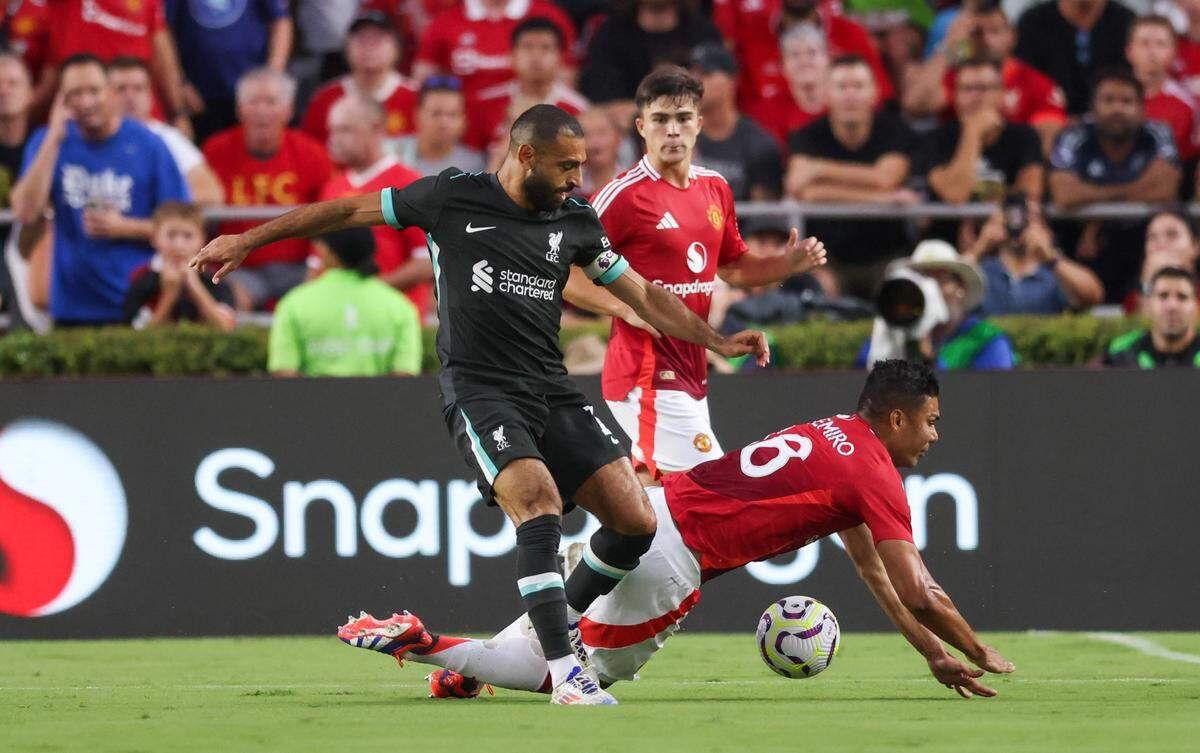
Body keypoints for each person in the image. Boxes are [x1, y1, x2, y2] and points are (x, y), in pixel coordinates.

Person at [189, 103, 771, 705]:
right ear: (526, 155)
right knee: (540, 506)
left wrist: (717, 340)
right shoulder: (450, 197)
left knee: (636, 522)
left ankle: (557, 624)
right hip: (482, 391)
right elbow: (344, 210)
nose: (577, 179)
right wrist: (248, 239)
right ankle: (566, 674)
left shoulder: (575, 219)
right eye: (566, 166)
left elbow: (643, 293)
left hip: (552, 389)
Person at [336, 360, 1015, 700]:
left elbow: (872, 569)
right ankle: (426, 644)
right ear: (896, 418)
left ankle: (462, 675)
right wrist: (977, 648)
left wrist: (930, 653)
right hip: (672, 563)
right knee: (562, 675)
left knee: (557, 628)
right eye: (930, 421)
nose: (934, 435)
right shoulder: (875, 473)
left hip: (646, 512)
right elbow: (920, 590)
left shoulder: (835, 433)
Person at [585, 67, 826, 479]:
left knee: (660, 494)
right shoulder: (621, 196)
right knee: (716, 485)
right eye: (660, 119)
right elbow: (564, 270)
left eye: (682, 118)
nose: (672, 130)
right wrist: (624, 307)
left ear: (699, 123)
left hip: (691, 369)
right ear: (641, 127)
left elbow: (733, 267)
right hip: (645, 373)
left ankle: (592, 530)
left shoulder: (715, 188)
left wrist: (785, 265)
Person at [10, 54, 189, 326]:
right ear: (61, 100)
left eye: (94, 91)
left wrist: (125, 227)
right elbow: (25, 211)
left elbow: (186, 225)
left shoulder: (149, 145)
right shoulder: (47, 140)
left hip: (137, 302)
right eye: (75, 93)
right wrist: (54, 138)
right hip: (71, 306)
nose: (85, 102)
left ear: (112, 93)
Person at [786, 55, 919, 300]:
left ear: (875, 93)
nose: (850, 95)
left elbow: (885, 178)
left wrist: (819, 169)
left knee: (901, 290)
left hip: (887, 256)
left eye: (858, 86)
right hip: (827, 259)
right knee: (814, 289)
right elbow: (800, 188)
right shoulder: (807, 136)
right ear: (826, 93)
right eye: (842, 87)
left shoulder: (896, 131)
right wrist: (882, 199)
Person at [203, 67, 333, 311]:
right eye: (254, 102)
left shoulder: (314, 153)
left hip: (298, 266)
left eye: (271, 102)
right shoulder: (215, 150)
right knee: (226, 302)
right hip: (239, 267)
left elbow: (329, 218)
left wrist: (316, 269)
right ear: (240, 109)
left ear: (288, 110)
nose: (262, 111)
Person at [1048, 68, 1182, 300]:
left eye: (1127, 101)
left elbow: (1165, 189)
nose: (1117, 109)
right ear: (1092, 108)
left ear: (1142, 109)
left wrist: (1096, 214)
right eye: (1108, 100)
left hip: (1140, 241)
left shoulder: (1158, 133)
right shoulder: (1073, 135)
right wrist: (1134, 189)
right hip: (1080, 244)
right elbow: (1064, 194)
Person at [319, 94, 433, 320]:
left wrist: (369, 293)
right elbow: (318, 263)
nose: (335, 139)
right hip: (341, 317)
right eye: (332, 131)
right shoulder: (332, 188)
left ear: (376, 128)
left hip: (395, 315)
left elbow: (426, 261)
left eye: (345, 130)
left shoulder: (408, 183)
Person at [903, 1, 1066, 154]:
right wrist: (950, 48)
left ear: (1012, 36)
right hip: (954, 161)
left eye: (994, 31)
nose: (985, 39)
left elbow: (1049, 143)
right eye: (976, 33)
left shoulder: (1036, 84)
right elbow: (914, 104)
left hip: (1014, 166)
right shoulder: (954, 77)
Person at [269, 226, 422, 377]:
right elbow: (404, 375)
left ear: (326, 251)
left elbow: (284, 372)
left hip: (313, 394)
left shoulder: (294, 303)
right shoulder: (401, 306)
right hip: (381, 394)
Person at [860, 240, 1015, 371]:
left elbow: (991, 391)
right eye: (921, 280)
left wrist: (927, 357)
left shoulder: (986, 340)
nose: (931, 290)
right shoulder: (895, 331)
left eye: (942, 280)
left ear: (961, 287)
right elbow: (861, 381)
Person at [713, 0, 893, 109]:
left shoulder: (851, 34)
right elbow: (740, 108)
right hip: (769, 148)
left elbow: (880, 98)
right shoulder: (750, 37)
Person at [166, 0, 292, 145]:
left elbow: (281, 21)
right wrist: (180, 83)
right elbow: (164, 31)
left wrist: (272, 78)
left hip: (253, 96)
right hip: (199, 97)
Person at [578, 0, 723, 125]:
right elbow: (605, 106)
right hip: (627, 137)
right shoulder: (610, 35)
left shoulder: (702, 33)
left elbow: (716, 95)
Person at [924, 57, 1044, 206]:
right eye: (966, 89)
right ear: (955, 96)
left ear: (1001, 93)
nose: (975, 97)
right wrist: (973, 132)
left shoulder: (1024, 136)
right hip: (951, 222)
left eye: (983, 88)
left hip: (1004, 220)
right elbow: (955, 194)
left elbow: (1030, 193)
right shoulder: (937, 138)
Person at [465, 17, 588, 159]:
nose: (536, 57)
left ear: (560, 58)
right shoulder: (484, 104)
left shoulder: (578, 111)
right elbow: (468, 161)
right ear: (512, 55)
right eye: (527, 47)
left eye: (545, 48)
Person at [108, 56, 224, 206]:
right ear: (105, 95)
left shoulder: (168, 138)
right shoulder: (88, 136)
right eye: (120, 89)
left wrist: (152, 203)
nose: (130, 97)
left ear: (151, 96)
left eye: (138, 88)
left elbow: (210, 193)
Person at [300, 10, 417, 150]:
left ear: (396, 48)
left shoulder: (416, 98)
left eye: (377, 40)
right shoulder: (324, 99)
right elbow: (308, 151)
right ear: (346, 48)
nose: (368, 48)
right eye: (361, 39)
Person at [964, 199, 1104, 316]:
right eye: (1011, 216)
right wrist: (979, 248)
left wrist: (1052, 258)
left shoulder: (1055, 274)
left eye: (1031, 217)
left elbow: (1093, 297)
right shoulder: (980, 270)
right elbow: (950, 288)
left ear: (1046, 230)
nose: (1020, 223)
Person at [413, 0, 576, 99]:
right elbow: (423, 79)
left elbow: (566, 78)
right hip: (464, 127)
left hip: (531, 117)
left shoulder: (549, 16)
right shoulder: (446, 21)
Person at [123, 201, 235, 331]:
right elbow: (138, 335)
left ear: (202, 239)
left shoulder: (215, 278)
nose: (178, 245)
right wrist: (169, 296)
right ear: (154, 238)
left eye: (188, 236)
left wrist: (195, 287)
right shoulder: (141, 276)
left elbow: (225, 328)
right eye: (171, 235)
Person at [692, 44, 783, 201]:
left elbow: (764, 213)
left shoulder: (759, 144)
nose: (695, 83)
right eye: (692, 75)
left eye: (706, 74)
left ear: (731, 81)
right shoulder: (675, 137)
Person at [1014, 0, 1134, 117]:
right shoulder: (1033, 22)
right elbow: (1023, 79)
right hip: (1049, 119)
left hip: (1114, 120)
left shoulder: (1126, 21)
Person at [745, 23, 831, 152]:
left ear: (827, 59)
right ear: (783, 64)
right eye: (794, 55)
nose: (804, 62)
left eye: (812, 53)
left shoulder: (844, 105)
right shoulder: (765, 113)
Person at [1126, 15, 1199, 162]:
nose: (1152, 51)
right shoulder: (1110, 96)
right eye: (1144, 43)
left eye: (1160, 44)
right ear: (1129, 51)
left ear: (1174, 52)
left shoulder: (1188, 105)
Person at [1104, 266, 1200, 368]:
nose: (1172, 306)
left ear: (1196, 305)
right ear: (1148, 304)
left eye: (1182, 297)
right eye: (1163, 296)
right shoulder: (1119, 350)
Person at [390, 79, 485, 176]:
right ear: (417, 115)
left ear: (463, 121)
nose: (444, 123)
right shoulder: (391, 154)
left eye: (452, 115)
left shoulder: (474, 167)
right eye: (436, 113)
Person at [577, 109, 623, 196]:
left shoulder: (634, 184)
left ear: (618, 137)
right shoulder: (570, 186)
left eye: (602, 133)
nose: (594, 143)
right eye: (585, 135)